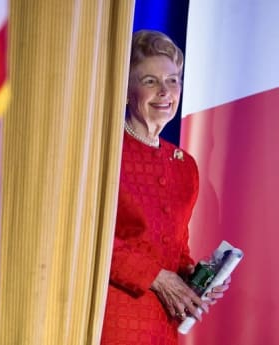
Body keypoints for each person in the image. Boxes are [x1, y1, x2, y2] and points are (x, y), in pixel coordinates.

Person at [101, 30, 231, 345]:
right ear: (127, 90)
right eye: (150, 81)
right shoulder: (103, 152)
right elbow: (90, 236)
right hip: (115, 318)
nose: (165, 92)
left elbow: (176, 248)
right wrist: (157, 278)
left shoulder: (185, 166)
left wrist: (197, 276)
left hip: (165, 323)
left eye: (172, 80)